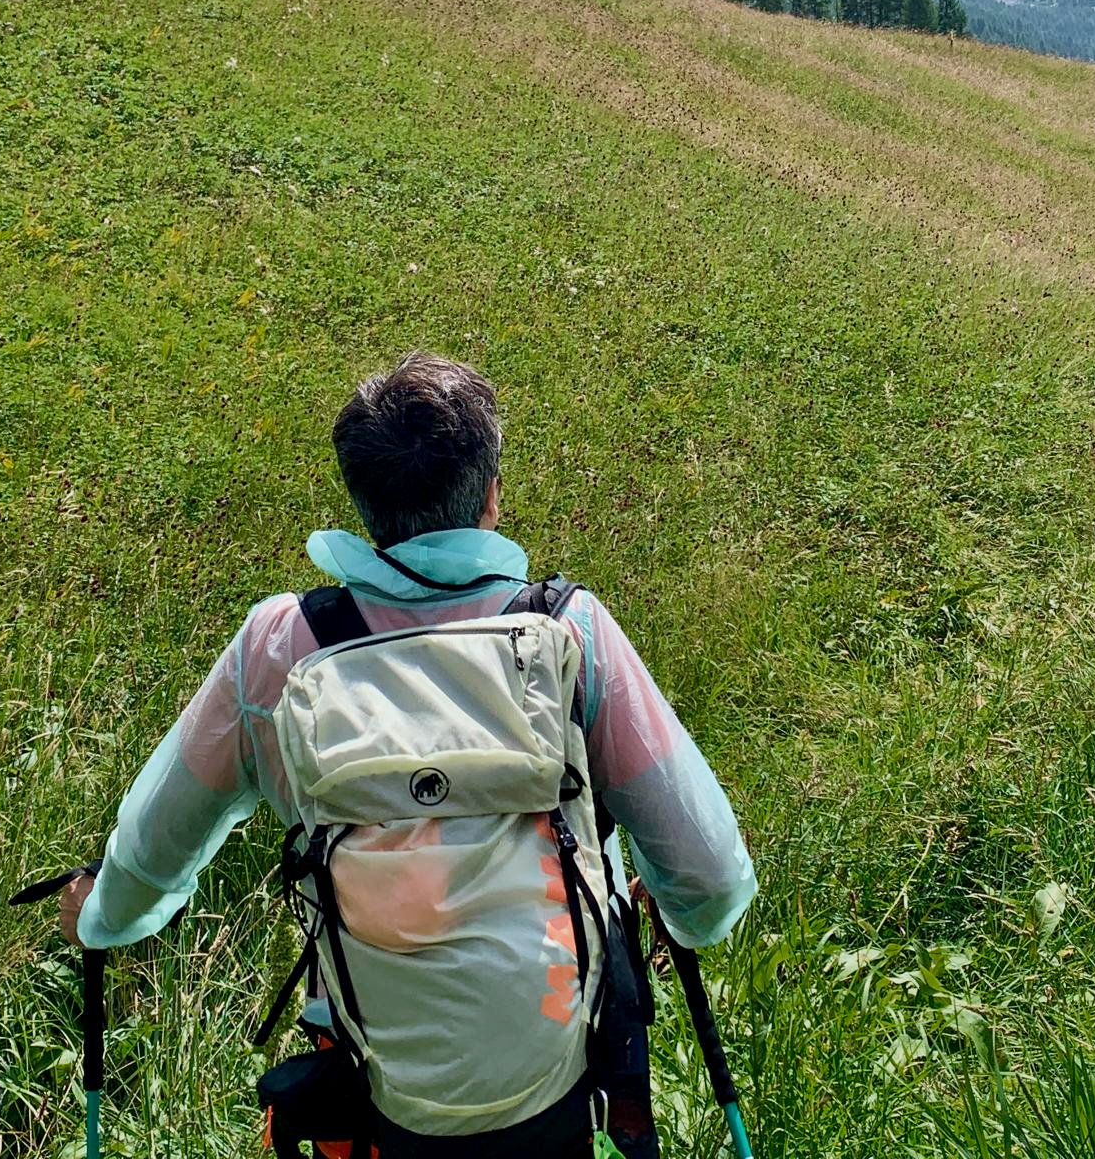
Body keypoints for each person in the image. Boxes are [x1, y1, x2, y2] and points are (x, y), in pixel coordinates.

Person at [59, 351, 757, 1153]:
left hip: (373, 1091)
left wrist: (104, 916)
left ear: (362, 503)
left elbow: (153, 854)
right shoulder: (572, 635)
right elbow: (711, 878)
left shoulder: (281, 648)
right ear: (491, 495)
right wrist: (678, 916)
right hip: (555, 1091)